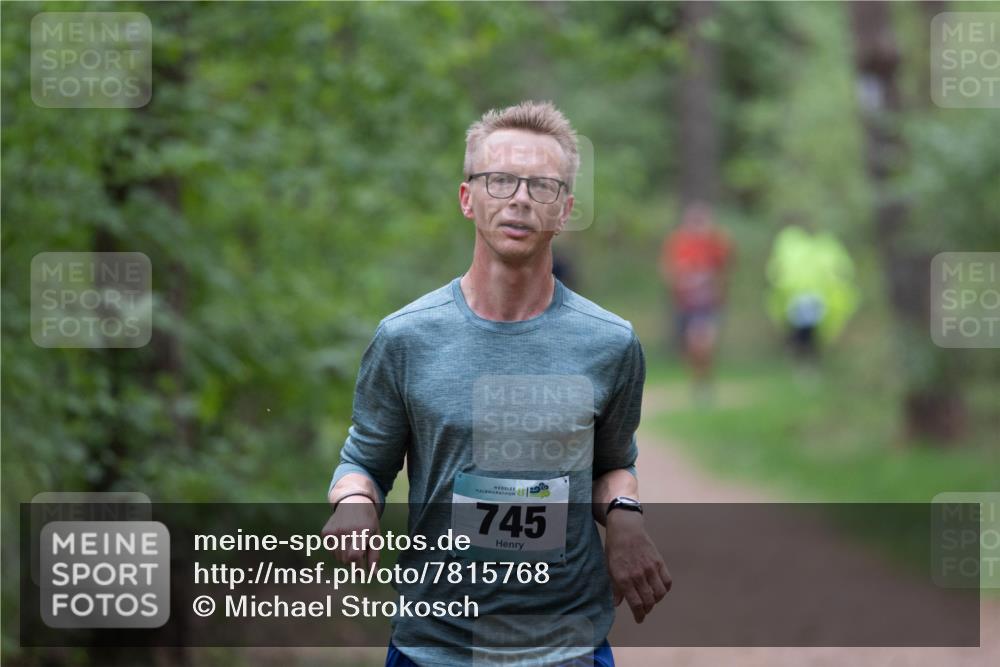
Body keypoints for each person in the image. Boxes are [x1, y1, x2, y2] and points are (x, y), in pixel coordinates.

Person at [324, 101, 671, 667]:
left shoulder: (609, 343)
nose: (519, 198)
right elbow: (362, 461)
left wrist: (627, 519)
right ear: (468, 198)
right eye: (500, 180)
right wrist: (355, 503)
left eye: (541, 186)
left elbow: (613, 463)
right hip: (435, 646)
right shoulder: (406, 338)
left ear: (565, 209)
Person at [659, 202, 732, 400]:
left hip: (708, 304)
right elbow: (668, 270)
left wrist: (718, 290)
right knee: (692, 347)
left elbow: (725, 269)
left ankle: (704, 381)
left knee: (704, 342)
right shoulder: (678, 242)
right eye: (694, 220)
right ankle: (699, 380)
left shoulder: (716, 242)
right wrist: (680, 283)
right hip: (686, 303)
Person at [765, 222, 858, 360]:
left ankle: (805, 356)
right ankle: (804, 356)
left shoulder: (822, 246)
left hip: (812, 297)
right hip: (800, 296)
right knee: (803, 329)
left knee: (810, 329)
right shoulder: (800, 245)